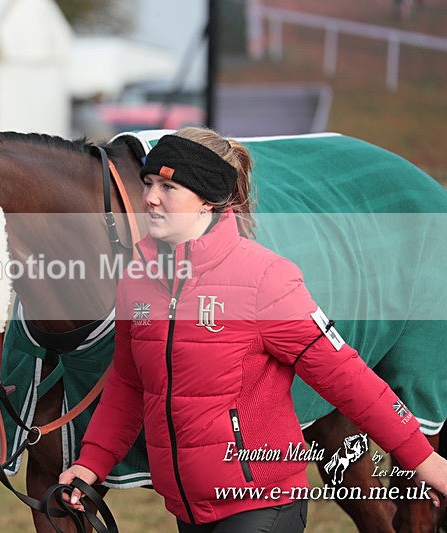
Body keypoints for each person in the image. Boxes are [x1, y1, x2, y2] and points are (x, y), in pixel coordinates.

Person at [58, 128, 447, 531]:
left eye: (169, 186)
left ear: (207, 200)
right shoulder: (137, 279)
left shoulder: (265, 279)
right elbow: (128, 383)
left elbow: (344, 375)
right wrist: (91, 464)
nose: (151, 197)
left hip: (262, 505)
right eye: (150, 183)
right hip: (189, 510)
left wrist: (423, 458)